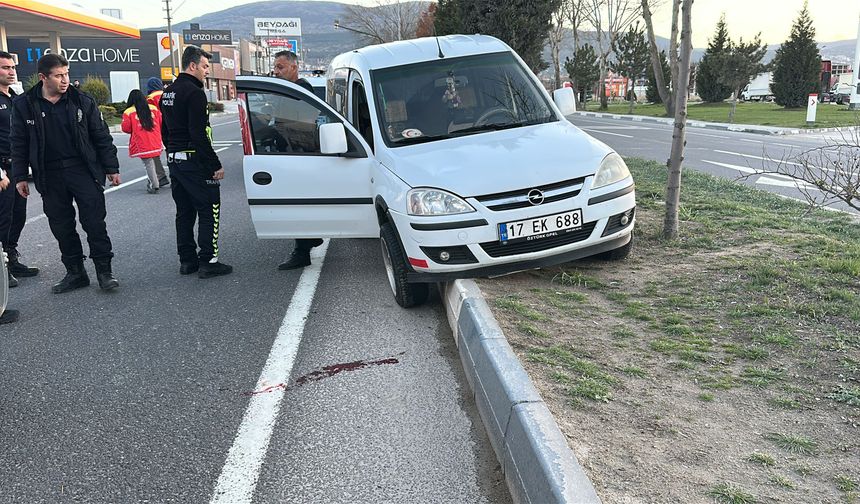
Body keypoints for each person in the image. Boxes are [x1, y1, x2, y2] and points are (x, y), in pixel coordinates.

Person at [9, 53, 121, 293]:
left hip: (82, 170)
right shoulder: (25, 104)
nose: (65, 80)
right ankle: (75, 272)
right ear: (43, 78)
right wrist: (19, 176)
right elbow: (17, 142)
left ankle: (104, 271)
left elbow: (100, 135)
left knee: (94, 222)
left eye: (66, 74)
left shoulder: (82, 100)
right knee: (61, 226)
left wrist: (111, 168)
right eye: (59, 75)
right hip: (49, 174)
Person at [160, 46, 232, 279]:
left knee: (184, 212)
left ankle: (187, 261)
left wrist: (173, 153)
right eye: (204, 66)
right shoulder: (193, 92)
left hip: (175, 160)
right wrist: (214, 164)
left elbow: (165, 131)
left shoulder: (168, 92)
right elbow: (198, 132)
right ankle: (209, 261)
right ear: (192, 66)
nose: (206, 72)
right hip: (194, 160)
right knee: (209, 208)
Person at [271, 50, 323, 271]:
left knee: (297, 203)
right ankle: (309, 239)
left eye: (280, 67)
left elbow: (300, 124)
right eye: (275, 67)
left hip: (300, 153)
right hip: (292, 153)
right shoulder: (287, 90)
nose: (276, 71)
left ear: (294, 67)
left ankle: (302, 251)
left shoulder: (301, 89)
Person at [0, 51, 39, 289]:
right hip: (2, 170)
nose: (11, 71)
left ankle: (10, 257)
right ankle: (2, 268)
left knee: (17, 215)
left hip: (17, 167)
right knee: (2, 218)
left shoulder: (15, 97)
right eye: (5, 67)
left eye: (12, 67)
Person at [122, 89, 164, 194]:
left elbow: (126, 128)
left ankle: (154, 184)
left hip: (141, 142)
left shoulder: (129, 112)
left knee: (148, 163)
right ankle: (159, 179)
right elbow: (160, 122)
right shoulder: (153, 108)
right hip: (155, 140)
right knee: (153, 161)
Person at [145, 77, 169, 188]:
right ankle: (176, 176)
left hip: (158, 129)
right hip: (172, 128)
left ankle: (160, 176)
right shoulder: (168, 94)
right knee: (173, 153)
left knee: (154, 154)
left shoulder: (149, 99)